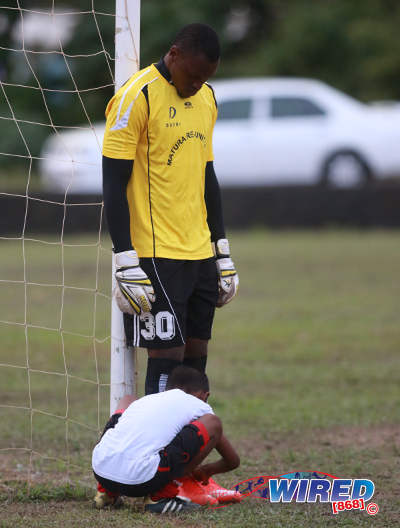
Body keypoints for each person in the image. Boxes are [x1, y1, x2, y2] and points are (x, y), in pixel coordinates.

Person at [102, 23, 239, 395]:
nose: (197, 85)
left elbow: (207, 176)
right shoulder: (137, 97)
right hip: (155, 254)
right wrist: (125, 258)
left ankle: (185, 453)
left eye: (205, 78)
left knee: (195, 367)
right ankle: (154, 451)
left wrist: (221, 251)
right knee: (167, 361)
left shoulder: (207, 98)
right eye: (193, 76)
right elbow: (113, 184)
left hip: (199, 254)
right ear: (174, 55)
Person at [92, 366, 240, 514]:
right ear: (205, 396)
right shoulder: (200, 406)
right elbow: (232, 460)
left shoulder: (148, 400)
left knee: (127, 400)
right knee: (213, 423)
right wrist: (205, 471)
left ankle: (105, 493)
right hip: (143, 482)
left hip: (101, 471)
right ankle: (160, 497)